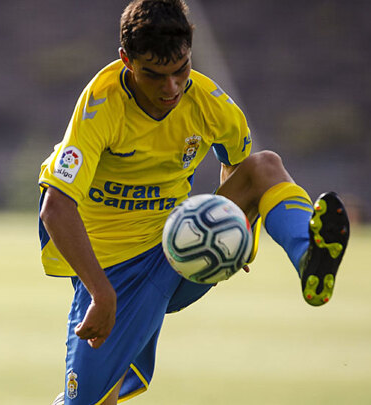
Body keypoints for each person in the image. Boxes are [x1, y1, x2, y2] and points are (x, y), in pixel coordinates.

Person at [38, 0, 350, 403]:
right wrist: (100, 293)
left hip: (179, 250)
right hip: (111, 273)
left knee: (264, 166)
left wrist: (231, 231)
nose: (171, 88)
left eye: (180, 70)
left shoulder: (209, 103)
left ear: (189, 54)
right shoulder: (101, 104)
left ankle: (309, 258)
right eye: (154, 75)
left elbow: (237, 166)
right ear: (126, 61)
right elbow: (55, 208)